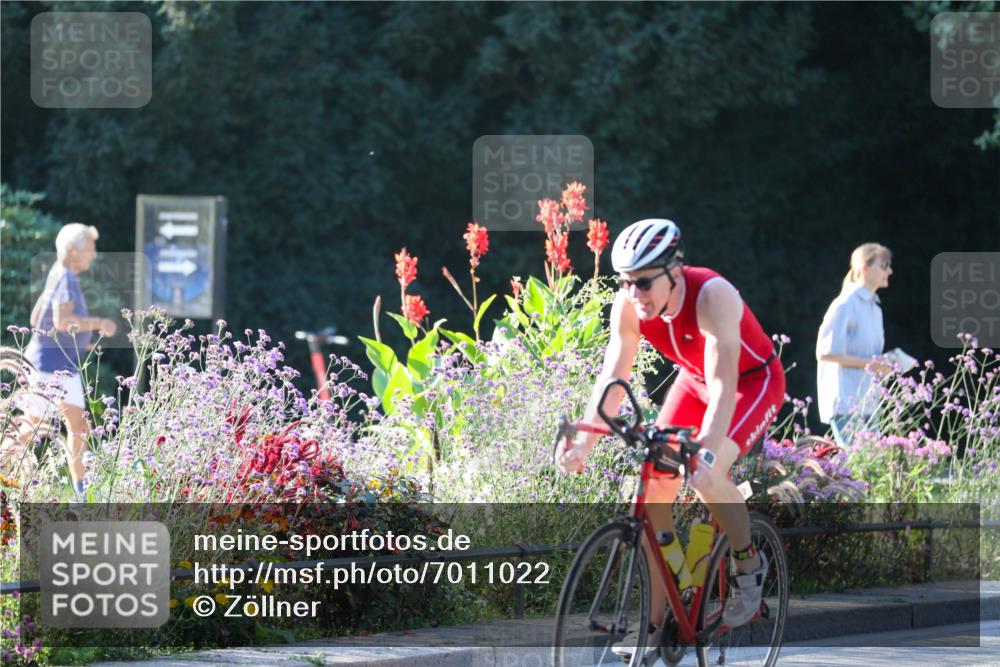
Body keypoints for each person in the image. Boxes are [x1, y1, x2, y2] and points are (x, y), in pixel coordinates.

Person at [555, 219, 785, 659]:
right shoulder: (628, 305)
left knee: (706, 475)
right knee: (652, 488)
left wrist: (707, 452)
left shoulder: (713, 295)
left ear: (673, 272)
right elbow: (613, 377)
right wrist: (585, 441)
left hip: (750, 384)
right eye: (625, 283)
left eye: (643, 282)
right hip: (693, 381)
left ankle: (748, 562)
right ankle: (656, 625)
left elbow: (723, 386)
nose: (634, 294)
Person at [12, 223, 117, 498]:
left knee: (34, 427)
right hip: (52, 368)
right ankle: (81, 493)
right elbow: (61, 321)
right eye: (90, 248)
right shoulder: (66, 277)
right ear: (73, 250)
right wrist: (99, 323)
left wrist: (79, 340)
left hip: (50, 364)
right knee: (76, 428)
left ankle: (77, 490)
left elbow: (37, 318)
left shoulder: (58, 274)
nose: (93, 255)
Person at [815, 243, 892, 446]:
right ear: (865, 268)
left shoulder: (875, 308)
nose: (889, 271)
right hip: (846, 402)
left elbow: (869, 355)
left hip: (870, 401)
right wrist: (871, 363)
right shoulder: (845, 304)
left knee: (870, 469)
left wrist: (885, 363)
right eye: (884, 266)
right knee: (855, 469)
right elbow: (824, 353)